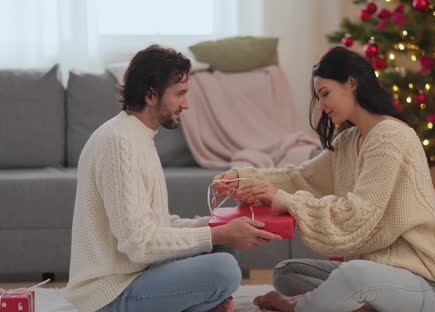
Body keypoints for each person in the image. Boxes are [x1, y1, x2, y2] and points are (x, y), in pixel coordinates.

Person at [212, 46, 435, 312]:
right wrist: (241, 178)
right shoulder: (348, 141)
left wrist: (281, 199)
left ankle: (297, 307)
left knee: (353, 275)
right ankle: (358, 305)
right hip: (378, 273)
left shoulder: (390, 136)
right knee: (287, 273)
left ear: (352, 83)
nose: (321, 106)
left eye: (325, 94)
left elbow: (358, 215)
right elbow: (300, 177)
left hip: (421, 281)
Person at [65, 45, 282, 312]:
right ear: (151, 94)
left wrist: (221, 226)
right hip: (110, 293)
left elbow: (158, 225)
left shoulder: (138, 136)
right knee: (224, 269)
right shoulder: (118, 142)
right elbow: (139, 245)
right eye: (180, 94)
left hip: (137, 273)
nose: (186, 104)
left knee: (224, 251)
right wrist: (216, 233)